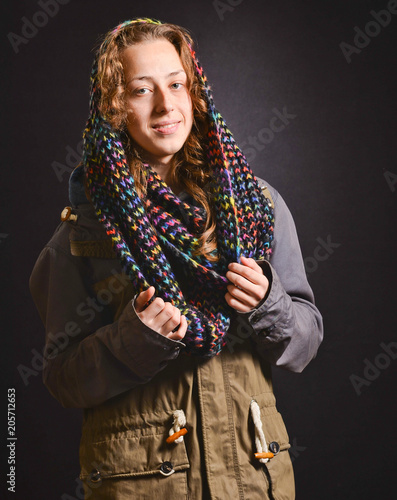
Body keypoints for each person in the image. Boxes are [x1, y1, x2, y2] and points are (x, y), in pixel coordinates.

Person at [30, 17, 323, 500]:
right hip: (146, 486)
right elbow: (63, 380)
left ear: (195, 92)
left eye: (176, 84)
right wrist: (133, 340)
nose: (166, 105)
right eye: (142, 90)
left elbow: (306, 341)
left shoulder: (258, 206)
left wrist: (269, 304)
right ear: (115, 106)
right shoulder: (84, 228)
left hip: (253, 480)